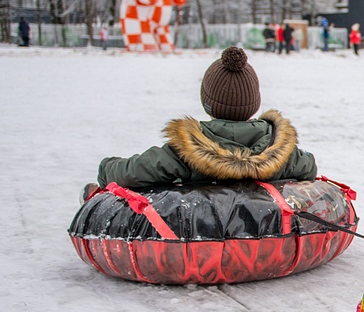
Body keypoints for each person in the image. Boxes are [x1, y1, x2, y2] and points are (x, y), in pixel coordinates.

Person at [82, 46, 317, 200]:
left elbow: (130, 173)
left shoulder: (184, 152)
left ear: (207, 102)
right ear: (255, 104)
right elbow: (309, 167)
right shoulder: (283, 152)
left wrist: (106, 167)